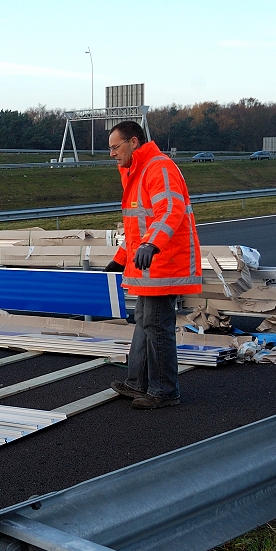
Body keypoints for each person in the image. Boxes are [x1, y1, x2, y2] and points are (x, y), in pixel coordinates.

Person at [104, 121, 202, 409]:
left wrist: (152, 244)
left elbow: (170, 210)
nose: (111, 154)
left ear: (133, 142)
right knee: (144, 322)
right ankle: (138, 383)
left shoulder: (158, 167)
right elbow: (138, 229)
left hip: (164, 264)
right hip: (150, 264)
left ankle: (164, 391)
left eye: (115, 147)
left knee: (157, 326)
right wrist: (119, 260)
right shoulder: (136, 172)